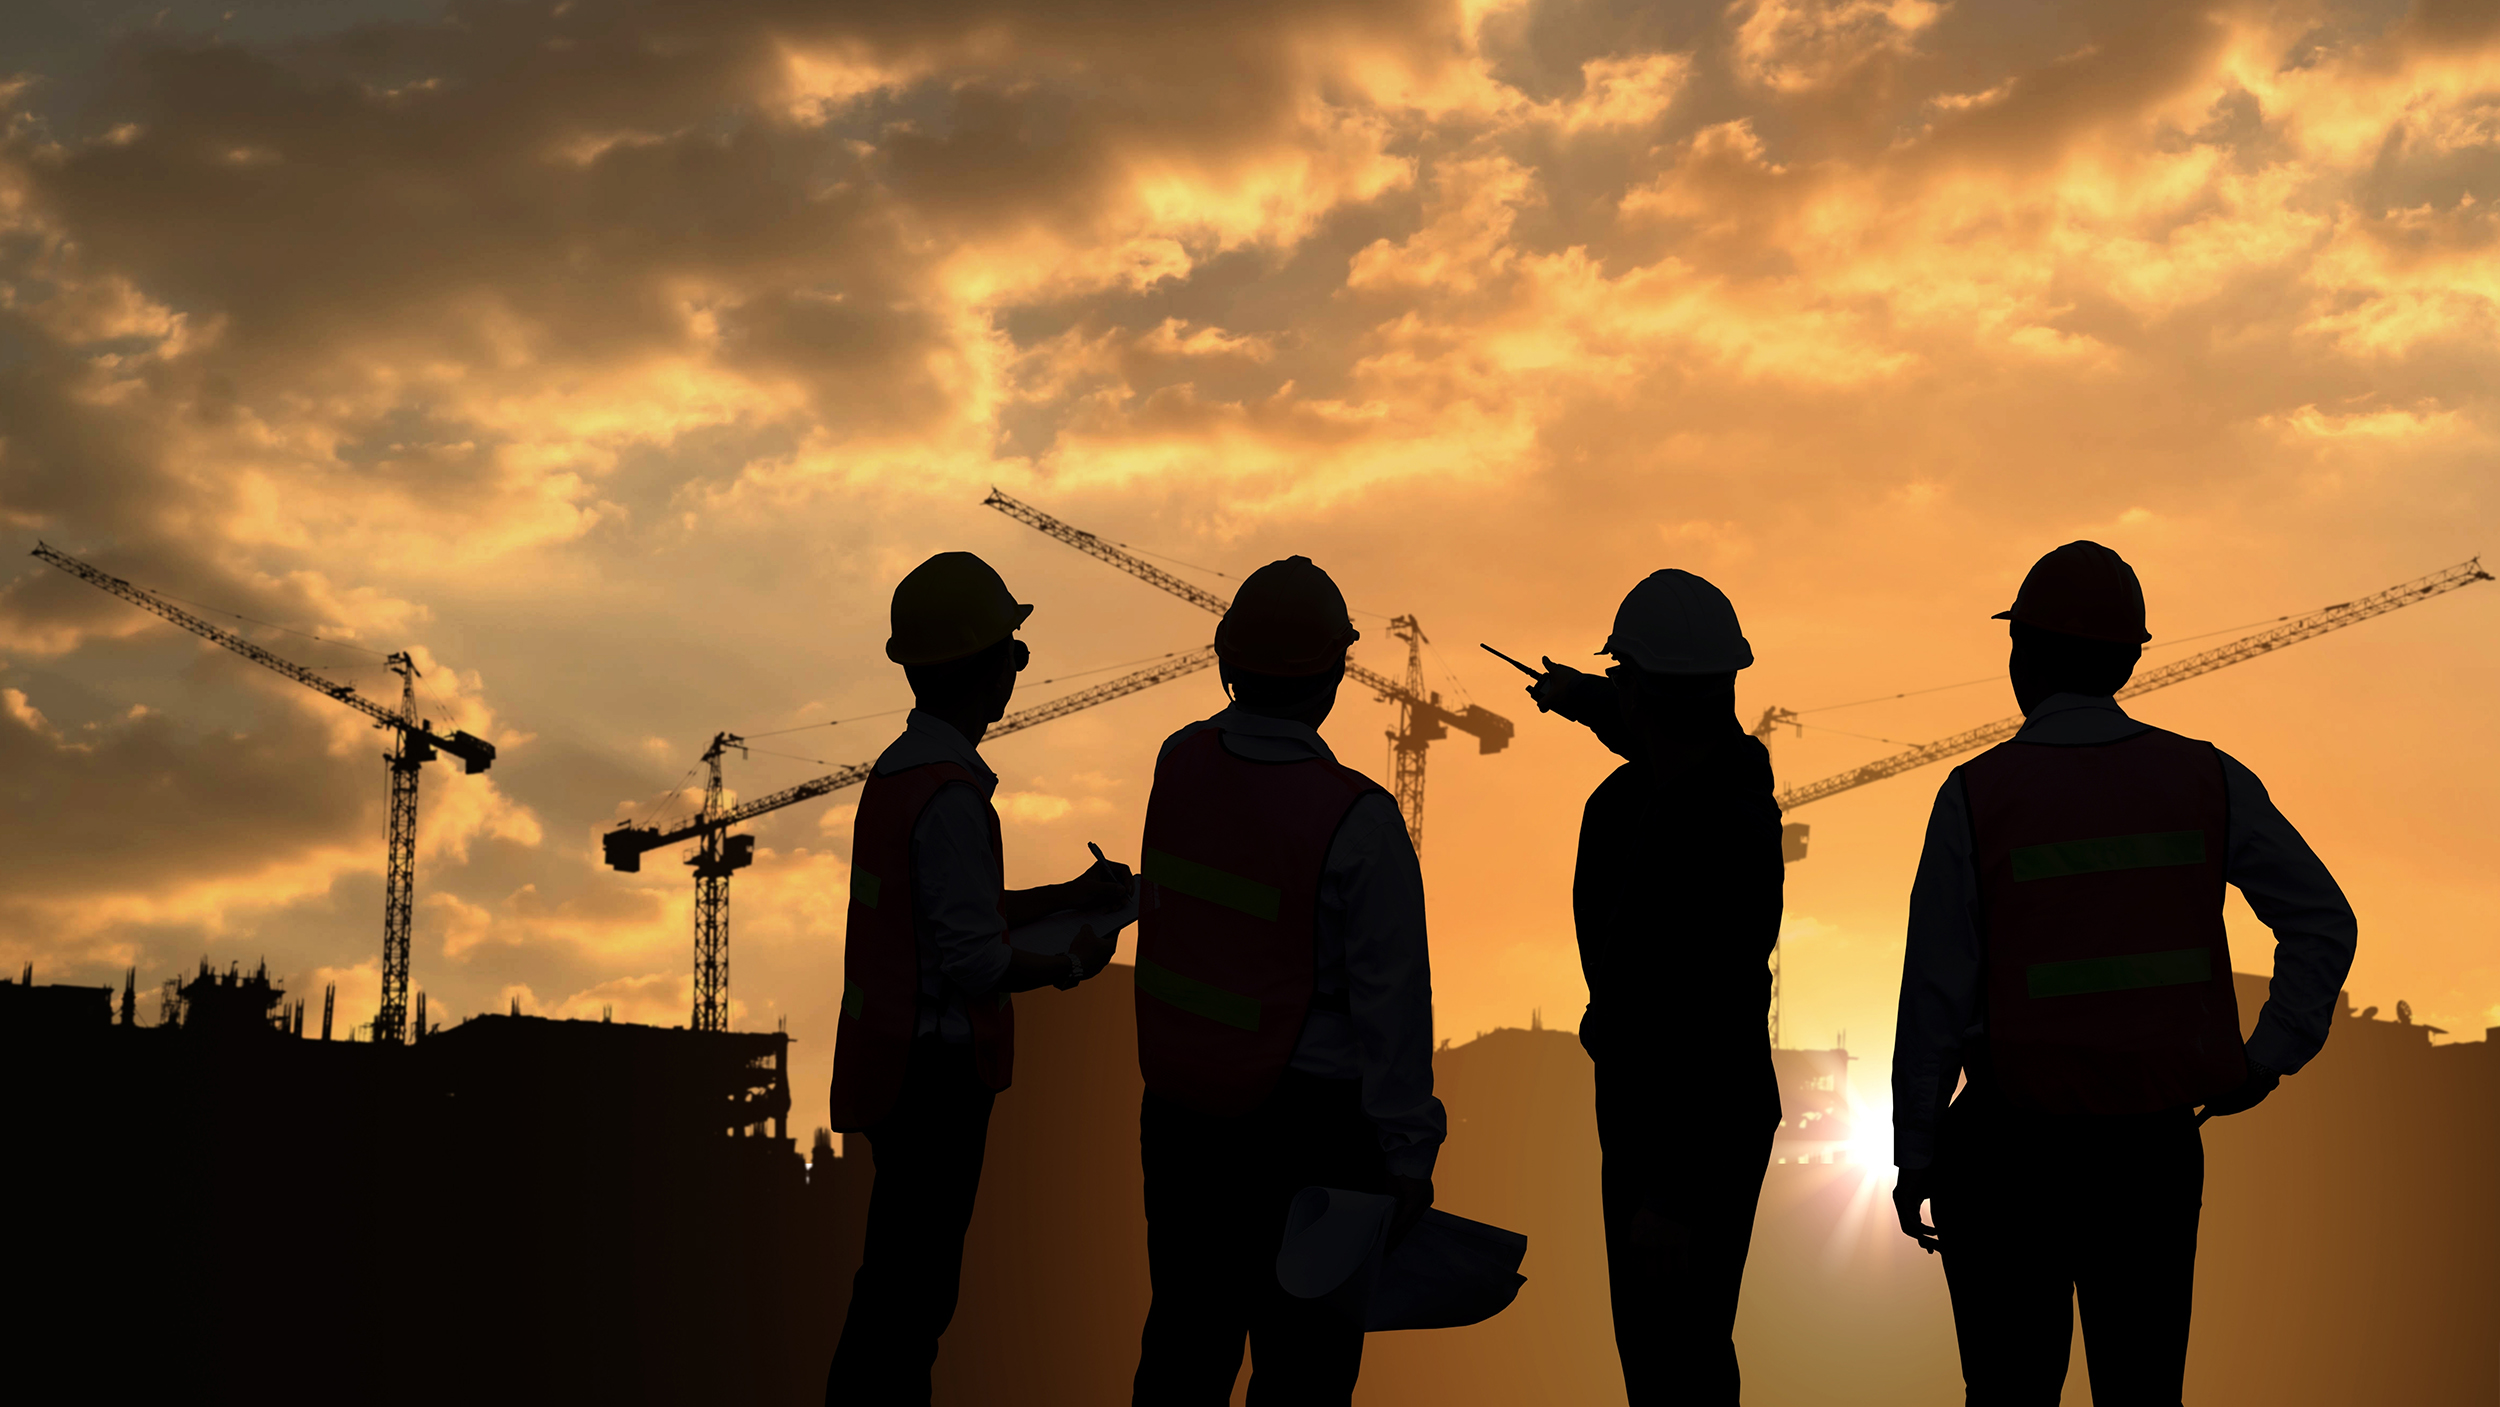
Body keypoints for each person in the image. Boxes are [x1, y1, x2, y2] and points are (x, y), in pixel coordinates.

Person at [1889, 541, 2358, 1404]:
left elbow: (1935, 992)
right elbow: (2322, 923)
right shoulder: (2207, 780)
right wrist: (2268, 1054)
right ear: (2130, 658)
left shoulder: (1976, 794)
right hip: (2149, 1151)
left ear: (2022, 653)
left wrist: (1916, 1146)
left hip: (2008, 1149)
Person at [1130, 556, 1444, 1406]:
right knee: (1305, 1371)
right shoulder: (1360, 821)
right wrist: (1408, 1157)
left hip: (1186, 1119)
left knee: (1186, 1346)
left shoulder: (1179, 763)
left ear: (1227, 662)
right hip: (1316, 1139)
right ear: (1335, 677)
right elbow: (1393, 1009)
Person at [826, 551, 1134, 1406]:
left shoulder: (900, 777)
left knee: (892, 1287)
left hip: (896, 1067)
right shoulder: (954, 794)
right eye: (1016, 654)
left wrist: (1067, 895)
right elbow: (974, 959)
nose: (1018, 673)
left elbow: (952, 913)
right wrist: (1072, 960)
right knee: (911, 1299)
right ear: (987, 667)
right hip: (936, 1080)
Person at [1523, 569, 1785, 1406]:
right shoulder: (1711, 781)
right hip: (1677, 1122)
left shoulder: (1698, 830)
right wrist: (1581, 698)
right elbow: (1664, 728)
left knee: (1675, 1356)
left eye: (1622, 678)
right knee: (1670, 1348)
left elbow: (1704, 1015)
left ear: (1645, 691)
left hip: (1684, 1138)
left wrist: (1673, 1190)